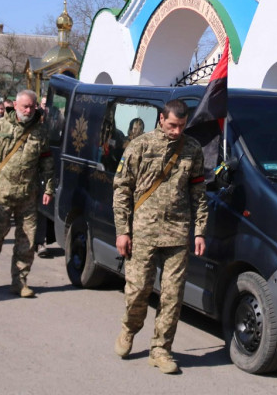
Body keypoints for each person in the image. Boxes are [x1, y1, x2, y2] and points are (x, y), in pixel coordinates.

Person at [112, 100, 208, 374]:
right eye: (172, 125)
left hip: (177, 232)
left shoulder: (192, 149)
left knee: (172, 295)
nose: (177, 131)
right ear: (162, 119)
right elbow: (122, 189)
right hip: (143, 230)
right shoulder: (139, 146)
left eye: (182, 126)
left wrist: (200, 231)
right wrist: (123, 230)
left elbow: (198, 193)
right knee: (138, 289)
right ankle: (129, 329)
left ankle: (161, 350)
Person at [0, 89, 55, 298]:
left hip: (28, 195)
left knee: (27, 241)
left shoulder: (40, 131)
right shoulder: (1, 126)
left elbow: (47, 161)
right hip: (1, 194)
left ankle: (19, 281)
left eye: (32, 107)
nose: (29, 111)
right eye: (25, 107)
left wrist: (49, 188)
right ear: (16, 106)